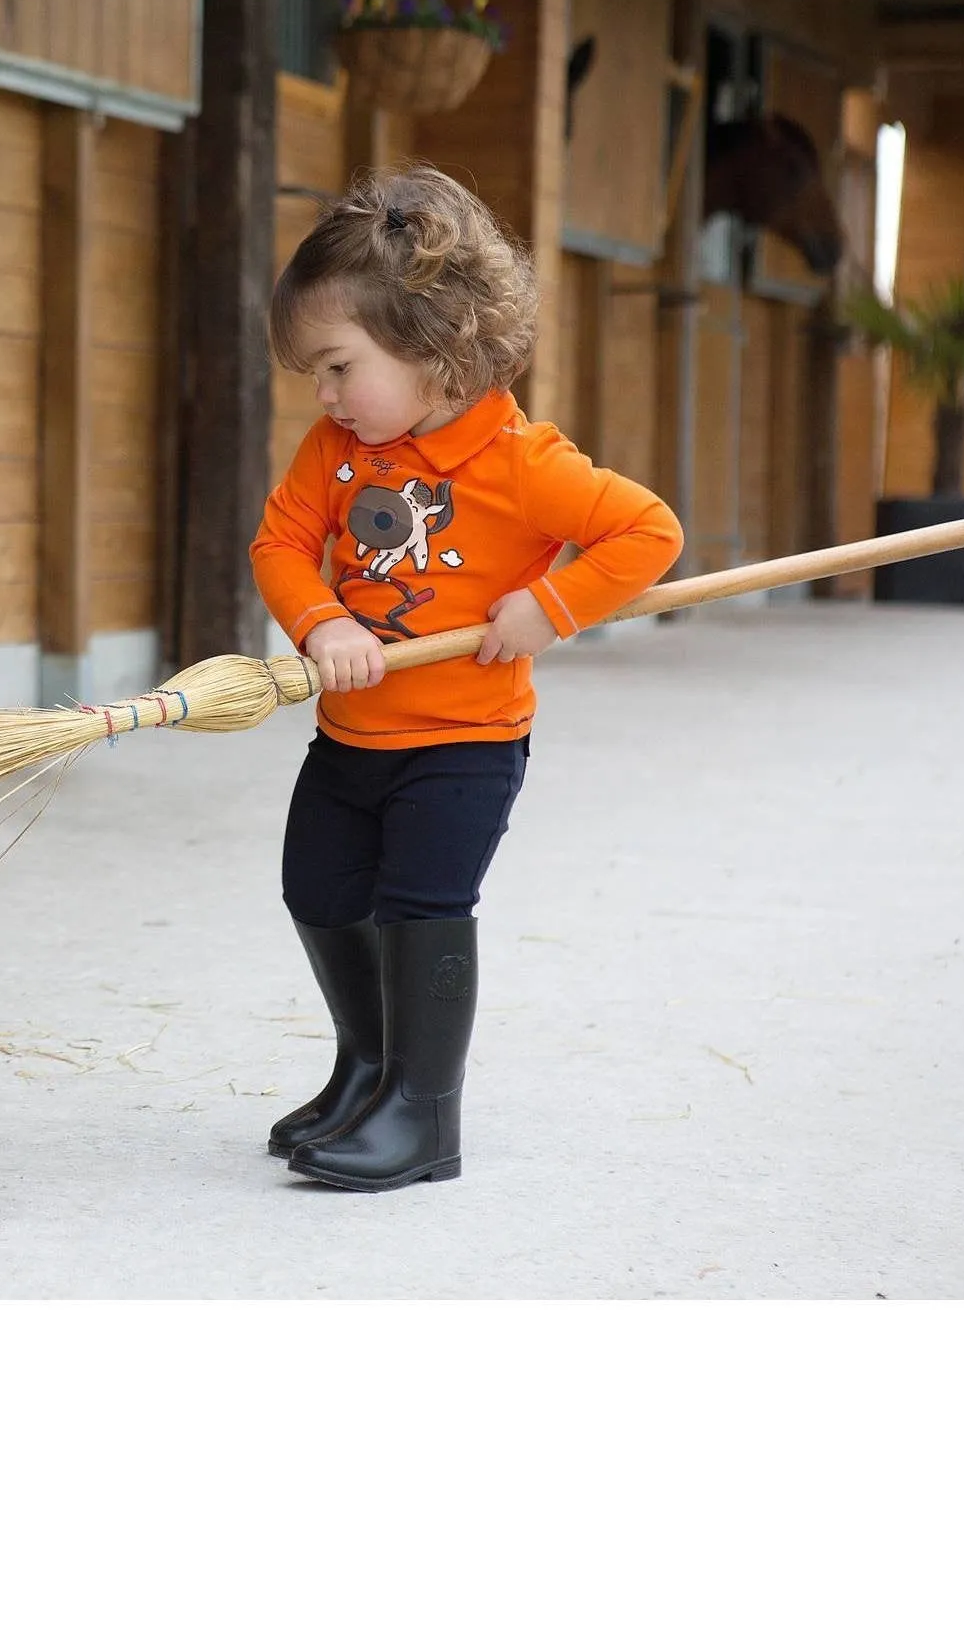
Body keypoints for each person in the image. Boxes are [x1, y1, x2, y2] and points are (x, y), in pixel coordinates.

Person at [250, 164, 683, 1192]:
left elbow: (646, 530)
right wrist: (320, 618)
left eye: (337, 366)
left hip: (462, 745)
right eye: (313, 373)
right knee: (314, 885)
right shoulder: (337, 449)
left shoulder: (522, 462)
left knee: (420, 904)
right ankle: (366, 1068)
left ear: (435, 346)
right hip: (351, 736)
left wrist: (551, 606)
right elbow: (278, 542)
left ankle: (423, 1115)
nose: (322, 395)